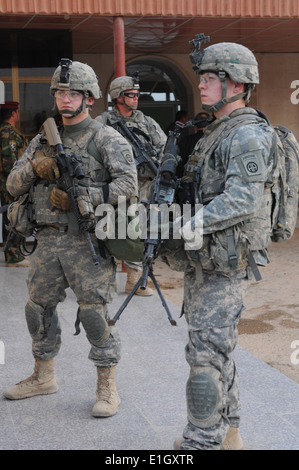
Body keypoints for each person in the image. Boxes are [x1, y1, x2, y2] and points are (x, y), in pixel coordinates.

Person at [3, 59, 138, 418]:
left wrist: (85, 197)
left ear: (89, 98)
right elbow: (12, 185)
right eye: (61, 92)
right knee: (37, 309)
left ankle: (106, 386)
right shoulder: (41, 141)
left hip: (86, 242)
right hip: (47, 241)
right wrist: (34, 166)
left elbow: (129, 188)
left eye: (73, 93)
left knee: (94, 314)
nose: (66, 99)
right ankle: (42, 376)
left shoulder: (106, 138)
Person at [168, 39, 277, 449]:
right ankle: (229, 433)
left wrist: (189, 223)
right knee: (211, 349)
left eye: (211, 78)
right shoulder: (215, 130)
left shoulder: (247, 133)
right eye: (202, 78)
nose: (202, 85)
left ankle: (201, 443)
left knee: (205, 357)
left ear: (237, 83)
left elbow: (243, 199)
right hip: (207, 257)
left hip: (225, 262)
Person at [97, 75, 168, 296]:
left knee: (140, 230)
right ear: (118, 97)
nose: (136, 98)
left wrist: (160, 164)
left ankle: (136, 278)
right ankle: (105, 279)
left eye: (137, 95)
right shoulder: (104, 122)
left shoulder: (146, 122)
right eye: (131, 95)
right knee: (109, 229)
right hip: (116, 185)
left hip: (144, 185)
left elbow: (164, 147)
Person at [0, 101, 28, 266]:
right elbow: (9, 163)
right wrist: (16, 186)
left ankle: (12, 252)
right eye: (17, 111)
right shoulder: (9, 134)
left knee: (9, 217)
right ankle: (13, 256)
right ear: (13, 113)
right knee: (14, 217)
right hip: (9, 184)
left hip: (6, 183)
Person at [177, 111, 210, 177]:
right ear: (209, 125)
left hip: (189, 178)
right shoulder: (214, 139)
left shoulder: (185, 140)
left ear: (195, 126)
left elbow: (180, 163)